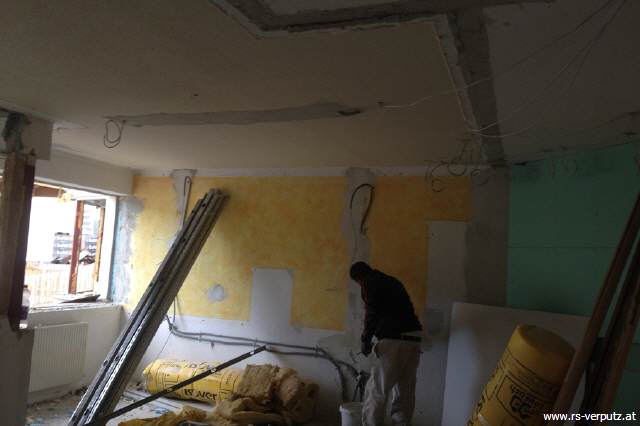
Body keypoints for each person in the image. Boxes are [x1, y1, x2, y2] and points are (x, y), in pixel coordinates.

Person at [350, 261, 422, 426]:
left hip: (392, 340)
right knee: (405, 390)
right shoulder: (392, 281)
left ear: (359, 279)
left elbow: (372, 312)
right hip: (414, 340)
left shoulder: (369, 281)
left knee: (377, 390)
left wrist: (365, 340)